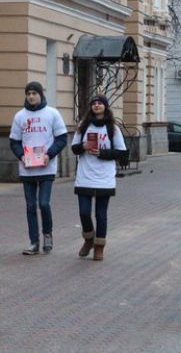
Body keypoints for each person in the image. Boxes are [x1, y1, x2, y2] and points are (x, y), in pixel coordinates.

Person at [9, 82, 68, 255]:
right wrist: (21, 156)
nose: (31, 96)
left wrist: (50, 154)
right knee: (30, 206)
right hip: (27, 169)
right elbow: (14, 141)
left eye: (34, 93)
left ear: (41, 95)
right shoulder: (20, 116)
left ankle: (47, 234)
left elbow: (62, 138)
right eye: (28, 93)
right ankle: (33, 242)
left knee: (43, 203)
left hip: (46, 168)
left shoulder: (52, 113)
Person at [70, 94, 127, 261]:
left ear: (105, 107)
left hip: (104, 177)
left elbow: (122, 153)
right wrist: (83, 146)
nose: (96, 105)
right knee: (84, 212)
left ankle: (99, 246)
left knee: (101, 214)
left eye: (100, 103)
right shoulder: (84, 125)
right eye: (94, 103)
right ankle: (88, 239)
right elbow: (74, 148)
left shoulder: (112, 128)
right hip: (85, 175)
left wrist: (102, 153)